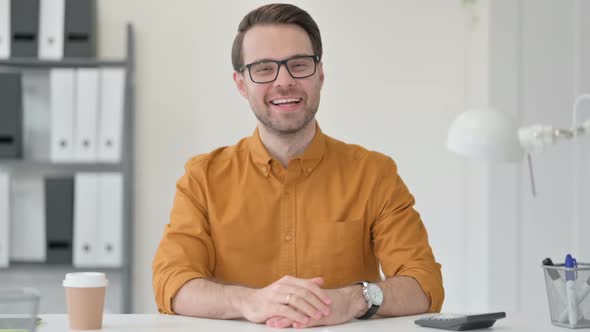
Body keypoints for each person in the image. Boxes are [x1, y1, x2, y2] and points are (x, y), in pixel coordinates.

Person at [152, 3, 444, 329]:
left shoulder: (374, 174)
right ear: (241, 83)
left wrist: (352, 300)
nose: (284, 81)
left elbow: (424, 283)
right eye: (264, 69)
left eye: (299, 65)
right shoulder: (202, 178)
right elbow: (171, 283)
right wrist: (251, 302)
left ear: (320, 73)